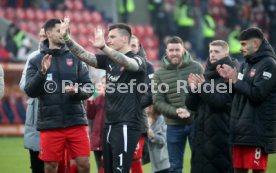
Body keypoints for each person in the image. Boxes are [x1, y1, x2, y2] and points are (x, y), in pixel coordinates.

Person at [60, 17, 147, 173]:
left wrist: (104, 48)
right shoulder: (109, 61)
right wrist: (67, 38)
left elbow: (128, 64)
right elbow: (84, 55)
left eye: (112, 37)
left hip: (127, 124)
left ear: (125, 38)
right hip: (109, 124)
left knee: (120, 170)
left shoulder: (139, 60)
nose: (109, 40)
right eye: (108, 37)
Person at [24, 18, 92, 173]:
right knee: (51, 167)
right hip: (50, 123)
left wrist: (77, 91)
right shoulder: (35, 60)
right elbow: (30, 91)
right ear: (48, 33)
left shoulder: (76, 58)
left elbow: (88, 87)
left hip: (76, 121)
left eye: (65, 30)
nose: (64, 34)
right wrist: (42, 73)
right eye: (59, 31)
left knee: (84, 164)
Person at [217, 27, 276, 173]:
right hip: (240, 130)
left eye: (244, 44)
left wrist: (235, 81)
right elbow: (237, 94)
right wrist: (228, 81)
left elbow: (258, 93)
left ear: (255, 44)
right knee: (238, 170)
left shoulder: (269, 64)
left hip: (257, 131)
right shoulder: (246, 64)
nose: (240, 48)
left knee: (257, 171)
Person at [153, 36, 204, 173]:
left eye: (177, 49)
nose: (174, 53)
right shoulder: (159, 74)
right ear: (166, 51)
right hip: (173, 125)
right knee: (174, 166)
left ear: (183, 50)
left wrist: (190, 112)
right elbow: (158, 102)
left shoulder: (197, 68)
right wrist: (176, 111)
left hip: (196, 124)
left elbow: (205, 96)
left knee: (200, 164)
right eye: (171, 50)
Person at [185, 40, 238, 173]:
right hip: (201, 135)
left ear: (226, 53)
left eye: (216, 51)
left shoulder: (230, 75)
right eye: (210, 51)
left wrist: (202, 87)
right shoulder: (206, 74)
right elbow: (191, 105)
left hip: (221, 134)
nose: (212, 54)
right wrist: (192, 89)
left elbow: (220, 102)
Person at [19, 27, 47, 173]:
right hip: (35, 116)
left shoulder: (66, 57)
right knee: (36, 166)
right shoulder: (32, 57)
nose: (42, 39)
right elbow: (23, 86)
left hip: (58, 117)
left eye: (45, 35)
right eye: (40, 35)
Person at [130, 35, 154, 173]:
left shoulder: (148, 67)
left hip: (137, 120)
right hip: (116, 121)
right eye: (130, 45)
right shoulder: (115, 64)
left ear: (139, 47)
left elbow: (151, 93)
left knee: (134, 158)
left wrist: (134, 106)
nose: (132, 49)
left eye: (134, 46)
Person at [87, 76, 106, 173]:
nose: (104, 85)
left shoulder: (116, 99)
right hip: (98, 139)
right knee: (100, 167)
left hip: (109, 138)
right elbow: (90, 115)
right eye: (102, 83)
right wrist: (90, 101)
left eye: (106, 83)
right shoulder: (98, 98)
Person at [146, 105, 170, 173]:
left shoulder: (161, 119)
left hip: (164, 162)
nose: (147, 107)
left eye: (149, 105)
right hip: (154, 164)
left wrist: (152, 135)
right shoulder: (144, 120)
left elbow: (162, 140)